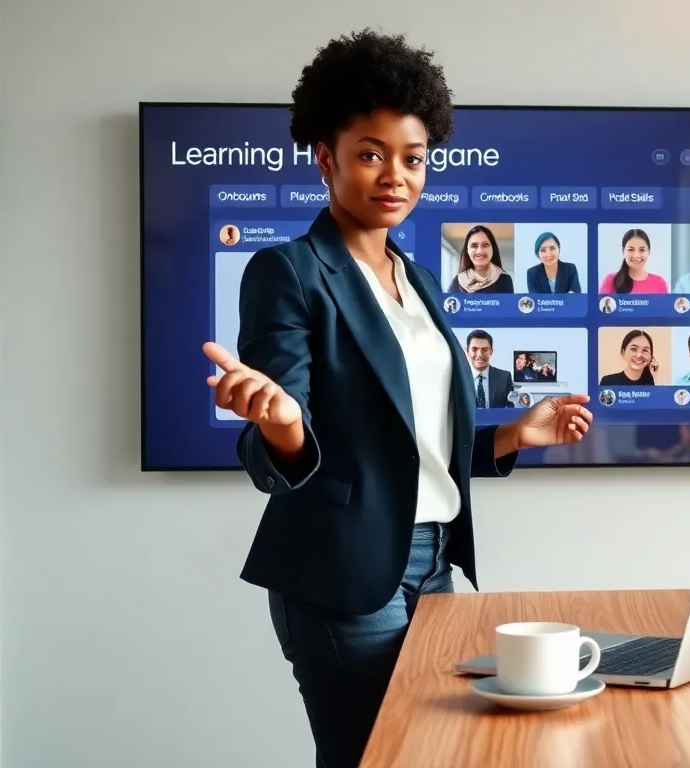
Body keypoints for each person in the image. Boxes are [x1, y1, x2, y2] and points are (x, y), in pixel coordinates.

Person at [201, 29, 592, 768]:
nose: (396, 175)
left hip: (435, 561)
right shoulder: (289, 272)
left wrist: (511, 437)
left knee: (435, 755)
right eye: (372, 153)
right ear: (327, 158)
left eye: (413, 158)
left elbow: (407, 446)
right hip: (345, 573)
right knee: (372, 758)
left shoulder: (412, 277)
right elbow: (271, 450)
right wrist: (284, 422)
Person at [446, 224, 514, 293]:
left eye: (485, 245)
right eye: (474, 246)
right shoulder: (457, 281)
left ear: (493, 248)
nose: (480, 251)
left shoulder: (504, 279)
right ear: (467, 250)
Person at [599, 228, 668, 294]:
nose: (636, 255)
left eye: (642, 250)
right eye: (631, 250)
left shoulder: (659, 283)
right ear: (623, 252)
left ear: (648, 252)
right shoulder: (610, 281)